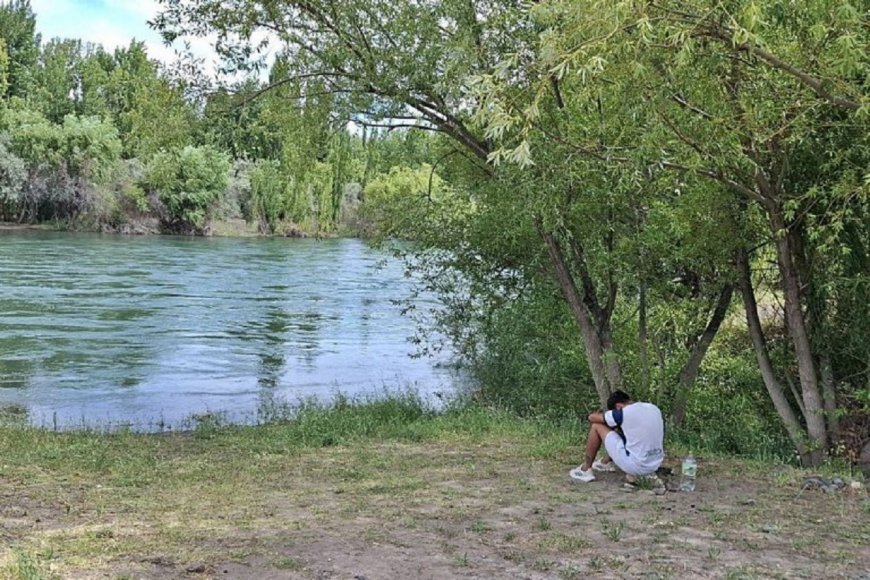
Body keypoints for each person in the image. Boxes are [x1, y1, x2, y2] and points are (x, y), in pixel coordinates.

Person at [569, 390, 664, 482]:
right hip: (655, 463)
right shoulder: (653, 408)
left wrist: (591, 415)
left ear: (618, 406)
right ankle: (605, 462)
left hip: (637, 466)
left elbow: (593, 418)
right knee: (620, 429)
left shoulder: (624, 412)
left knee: (596, 426)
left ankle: (585, 470)